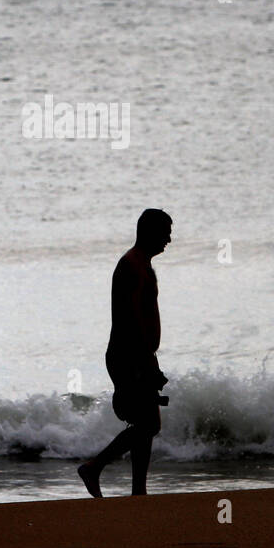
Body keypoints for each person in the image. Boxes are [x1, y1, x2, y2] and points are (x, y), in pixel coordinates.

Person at [78, 208, 172, 497]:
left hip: (139, 353)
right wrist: (144, 362)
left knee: (145, 422)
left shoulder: (143, 264)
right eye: (165, 232)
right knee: (148, 423)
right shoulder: (131, 265)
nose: (169, 239)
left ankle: (138, 491)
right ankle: (94, 467)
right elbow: (130, 318)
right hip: (129, 353)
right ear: (149, 232)